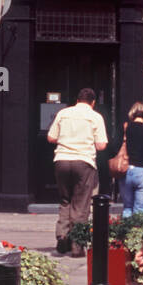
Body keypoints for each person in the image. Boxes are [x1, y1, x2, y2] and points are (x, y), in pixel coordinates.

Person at [47, 88, 108, 255]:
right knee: (81, 204)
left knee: (65, 200)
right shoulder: (95, 117)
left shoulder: (63, 113)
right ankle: (77, 245)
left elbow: (51, 137)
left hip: (62, 160)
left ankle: (62, 237)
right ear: (93, 102)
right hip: (84, 161)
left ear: (77, 99)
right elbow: (102, 145)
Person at [115, 102, 143, 219]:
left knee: (127, 207)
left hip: (125, 171)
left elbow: (115, 148)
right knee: (140, 208)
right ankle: (136, 235)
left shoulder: (125, 128)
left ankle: (124, 235)